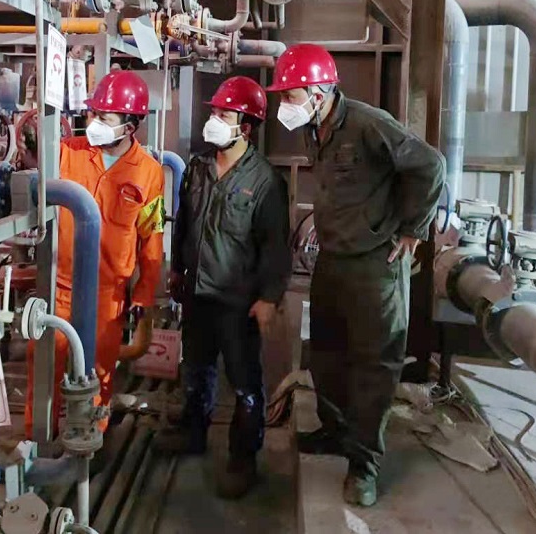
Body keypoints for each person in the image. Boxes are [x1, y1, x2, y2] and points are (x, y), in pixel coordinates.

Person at [266, 43, 445, 507]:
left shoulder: (368, 124)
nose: (285, 103)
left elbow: (430, 165)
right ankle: (336, 430)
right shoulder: (314, 128)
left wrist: (412, 230)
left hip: (375, 265)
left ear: (319, 91)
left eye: (290, 94)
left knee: (373, 365)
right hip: (334, 259)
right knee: (326, 353)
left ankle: (364, 466)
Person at [158, 76, 291, 499]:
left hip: (238, 301)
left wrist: (268, 298)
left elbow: (276, 247)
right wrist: (177, 269)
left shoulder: (265, 181)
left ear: (245, 127)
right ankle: (193, 431)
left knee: (245, 382)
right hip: (197, 293)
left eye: (223, 115)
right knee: (196, 369)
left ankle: (243, 458)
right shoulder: (198, 168)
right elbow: (184, 223)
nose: (213, 120)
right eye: (213, 112)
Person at [25, 70, 166, 441]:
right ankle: (38, 445)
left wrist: (144, 295)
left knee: (96, 374)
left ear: (129, 126)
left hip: (108, 297)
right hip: (58, 286)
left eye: (103, 117)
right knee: (45, 369)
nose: (93, 122)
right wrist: (30, 129)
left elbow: (151, 237)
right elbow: (32, 158)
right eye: (92, 114)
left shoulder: (149, 173)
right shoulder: (68, 152)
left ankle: (90, 444)